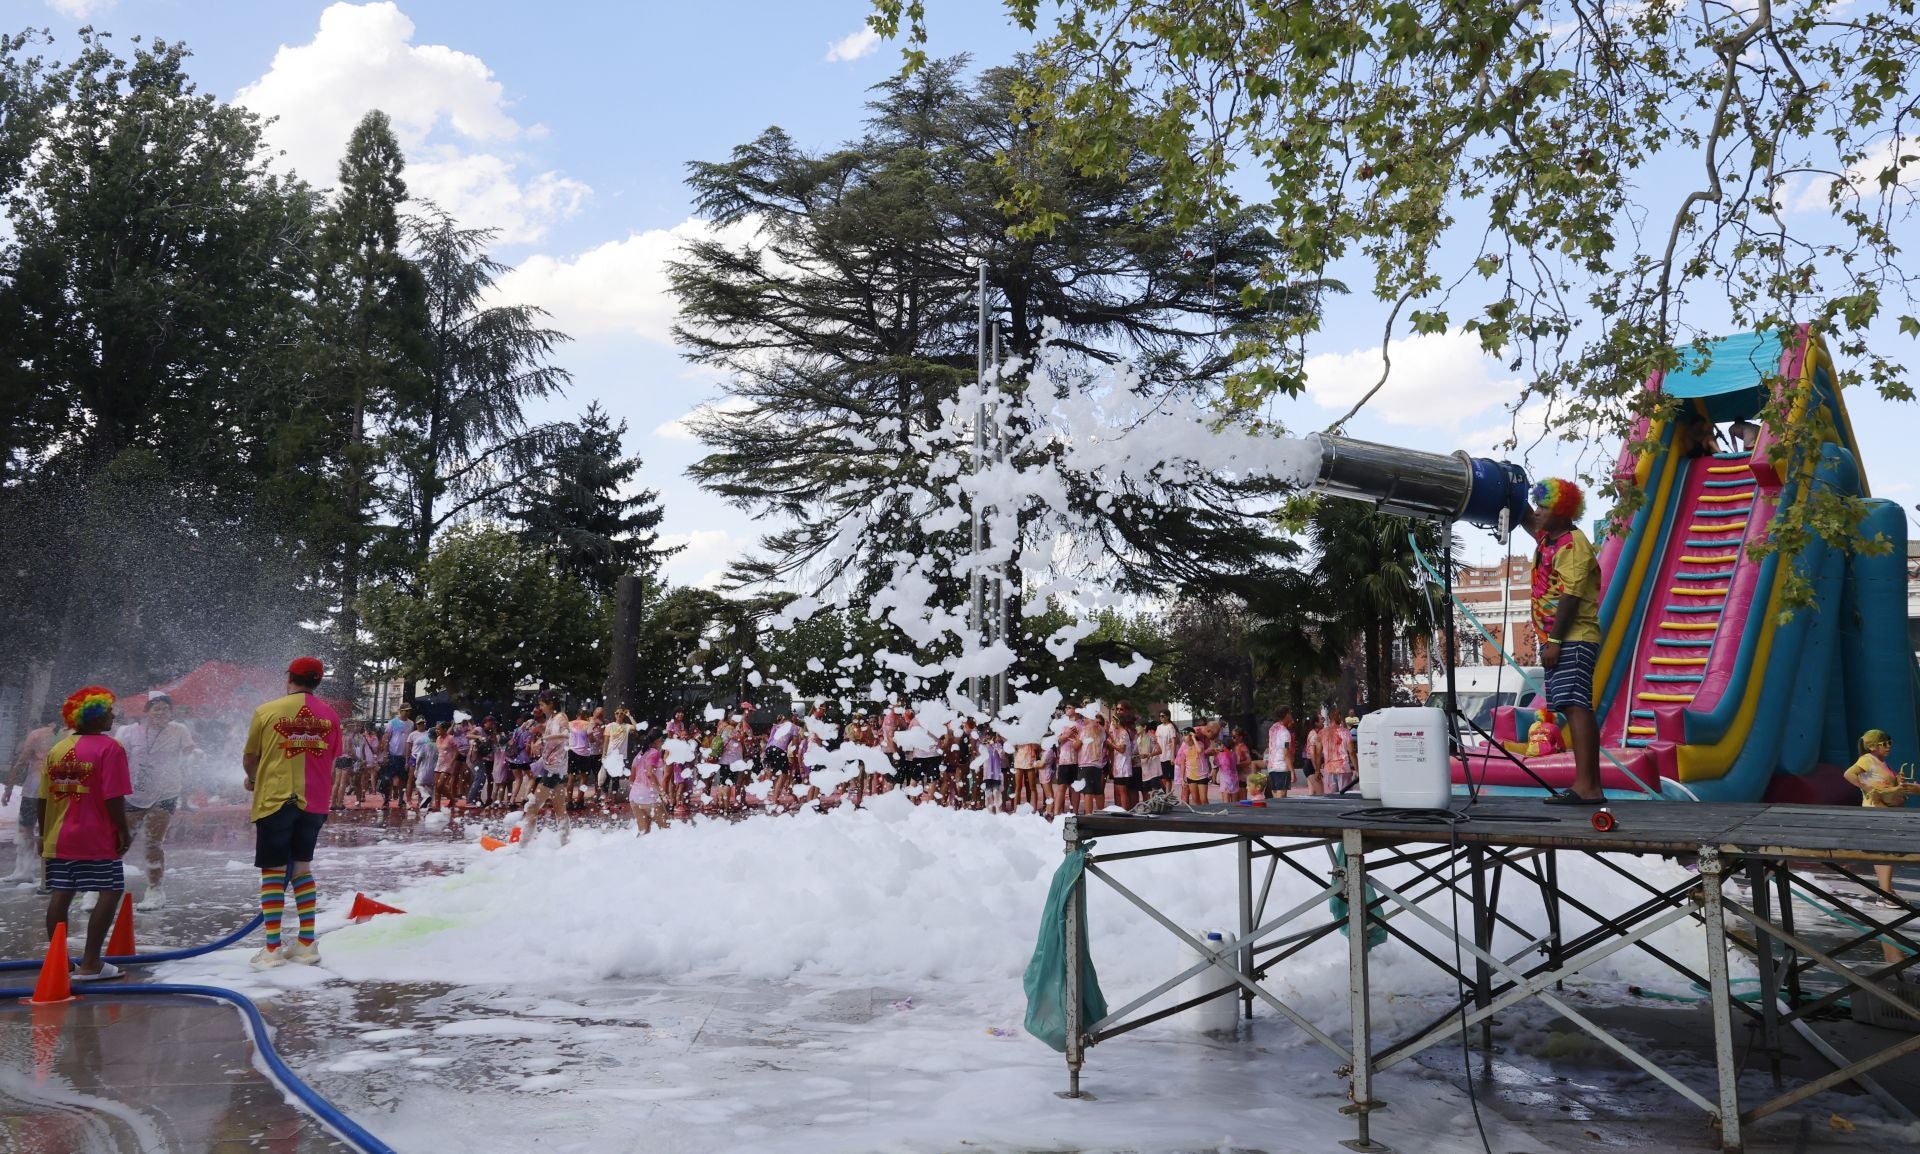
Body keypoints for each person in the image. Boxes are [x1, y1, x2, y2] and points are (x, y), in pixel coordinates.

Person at [241, 657, 342, 967]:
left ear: (290, 678)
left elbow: (250, 758)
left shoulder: (267, 711)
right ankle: (306, 944)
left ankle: (272, 948)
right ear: (317, 682)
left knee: (272, 872)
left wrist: (255, 779)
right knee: (301, 868)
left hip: (275, 800)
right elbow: (332, 758)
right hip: (315, 803)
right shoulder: (331, 716)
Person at [41, 687, 133, 981]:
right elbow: (113, 796)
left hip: (59, 836)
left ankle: (60, 961)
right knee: (110, 889)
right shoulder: (110, 748)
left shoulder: (57, 749)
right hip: (95, 835)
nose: (113, 715)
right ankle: (91, 962)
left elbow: (42, 798)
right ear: (93, 717)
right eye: (107, 711)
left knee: (61, 893)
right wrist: (122, 829)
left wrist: (43, 836)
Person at [1526, 478, 1606, 804]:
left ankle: (1588, 786)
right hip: (1559, 639)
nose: (1538, 513)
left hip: (1572, 637)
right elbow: (1527, 520)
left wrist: (1556, 639)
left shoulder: (1572, 544)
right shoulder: (1549, 539)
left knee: (1576, 705)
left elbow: (1571, 595)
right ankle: (1586, 784)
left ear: (1562, 511)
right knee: (1570, 704)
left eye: (1545, 507)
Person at [116, 692, 197, 910]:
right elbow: (116, 759)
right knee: (119, 842)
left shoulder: (179, 730)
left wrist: (196, 756)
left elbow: (191, 751)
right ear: (146, 711)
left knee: (153, 841)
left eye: (165, 709)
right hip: (134, 793)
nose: (160, 712)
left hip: (166, 793)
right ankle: (97, 888)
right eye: (156, 708)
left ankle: (155, 890)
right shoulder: (128, 732)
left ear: (171, 713)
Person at [1844, 729, 1920, 909]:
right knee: (1885, 851)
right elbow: (1849, 774)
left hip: (1888, 811)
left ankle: (1886, 891)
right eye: (1884, 744)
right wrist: (1866, 788)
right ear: (1872, 746)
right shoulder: (1867, 759)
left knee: (1886, 852)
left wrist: (1900, 784)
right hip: (1876, 810)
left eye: (1889, 743)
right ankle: (1885, 894)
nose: (1888, 747)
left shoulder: (1882, 763)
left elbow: (1885, 783)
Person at [4, 708, 61, 889]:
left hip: (33, 789)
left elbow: (22, 761)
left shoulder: (36, 735)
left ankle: (24, 870)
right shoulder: (68, 737)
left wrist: (9, 787)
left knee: (26, 829)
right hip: (56, 790)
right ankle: (49, 873)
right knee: (49, 832)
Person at [524, 694, 571, 843]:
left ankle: (522, 846)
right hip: (555, 767)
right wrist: (537, 729)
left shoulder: (561, 717)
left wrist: (544, 739)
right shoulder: (552, 719)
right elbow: (549, 732)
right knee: (560, 810)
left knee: (532, 806)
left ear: (551, 703)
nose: (540, 708)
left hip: (555, 769)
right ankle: (566, 845)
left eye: (542, 704)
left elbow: (565, 735)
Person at [629, 734, 668, 835]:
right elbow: (650, 774)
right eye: (662, 740)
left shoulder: (640, 754)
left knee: (644, 832)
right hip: (648, 796)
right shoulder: (654, 753)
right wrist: (662, 793)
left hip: (634, 797)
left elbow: (631, 778)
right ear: (658, 740)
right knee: (666, 830)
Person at [380, 705, 412, 811]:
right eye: (406, 711)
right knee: (388, 778)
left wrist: (408, 757)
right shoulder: (392, 722)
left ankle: (401, 800)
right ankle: (386, 801)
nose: (408, 713)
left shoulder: (411, 723)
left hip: (403, 756)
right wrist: (385, 753)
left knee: (403, 779)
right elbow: (386, 738)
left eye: (409, 711)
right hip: (393, 754)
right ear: (400, 711)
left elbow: (410, 740)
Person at [1265, 708, 1294, 799]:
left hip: (1272, 766)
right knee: (1281, 795)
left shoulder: (1273, 728)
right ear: (1286, 715)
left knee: (1276, 794)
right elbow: (1286, 753)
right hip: (1281, 767)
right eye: (1289, 713)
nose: (1291, 715)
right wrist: (1292, 771)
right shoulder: (1285, 733)